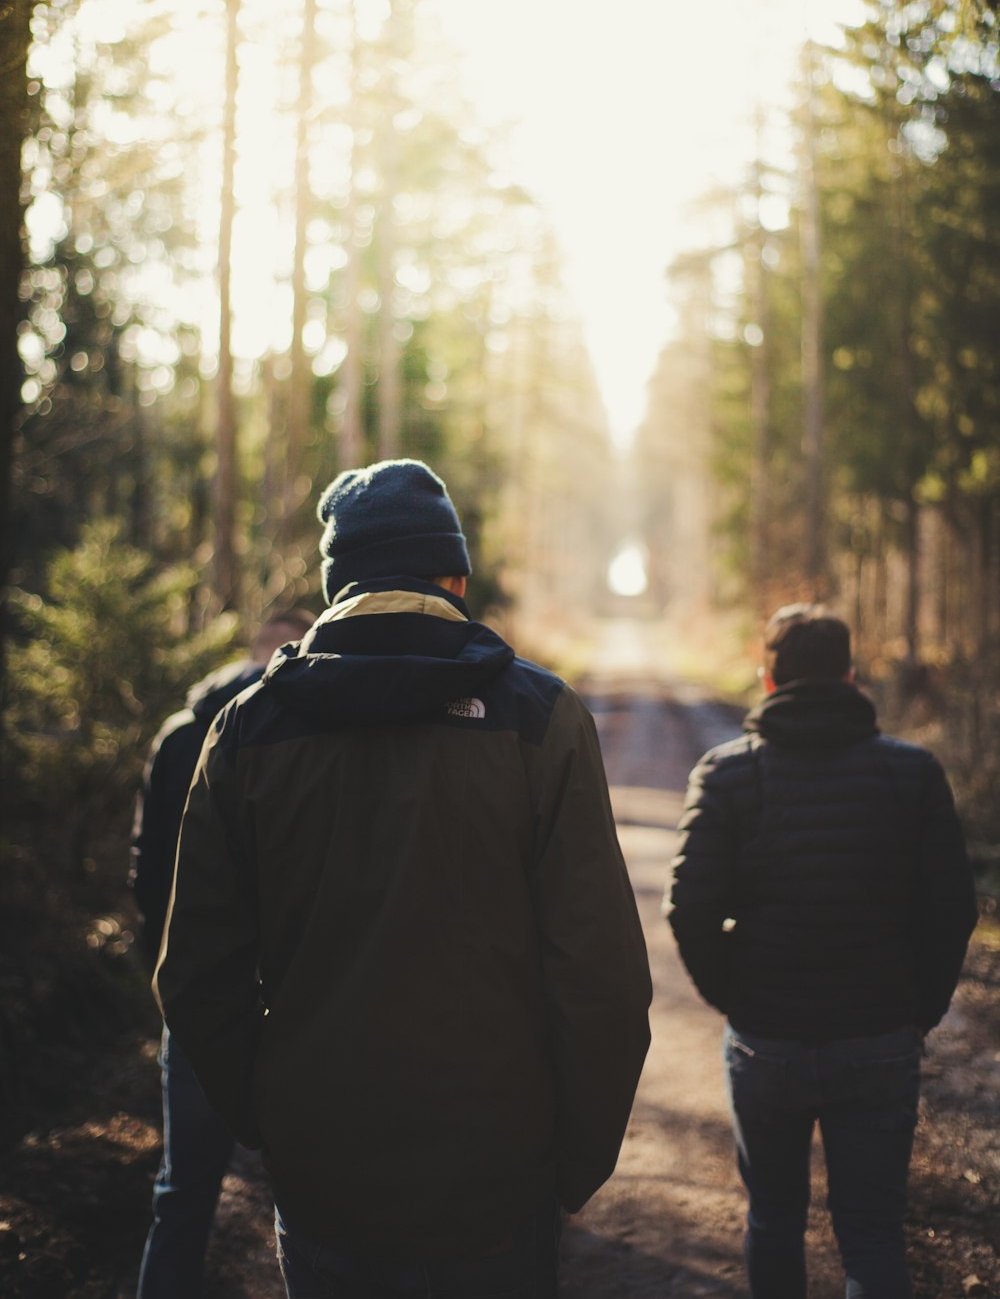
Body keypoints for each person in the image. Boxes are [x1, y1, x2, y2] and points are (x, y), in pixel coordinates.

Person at [154, 458, 652, 1299]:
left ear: (336, 586)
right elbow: (600, 979)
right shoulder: (540, 718)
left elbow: (196, 976)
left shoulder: (245, 731)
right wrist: (570, 1163)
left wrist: (275, 1122)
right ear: (455, 575)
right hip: (498, 1181)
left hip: (324, 1182)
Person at [665, 603, 978, 1299]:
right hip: (879, 1036)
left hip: (766, 1039)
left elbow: (687, 908)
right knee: (871, 1235)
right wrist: (915, 1012)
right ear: (852, 677)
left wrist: (737, 998)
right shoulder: (913, 771)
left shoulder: (725, 774)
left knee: (774, 1221)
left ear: (767, 682)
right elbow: (953, 909)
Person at [130, 606, 315, 1299]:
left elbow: (145, 870)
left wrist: (166, 973)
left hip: (197, 988)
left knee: (182, 1193)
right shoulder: (304, 726)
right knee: (316, 1193)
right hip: (296, 996)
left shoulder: (179, 735)